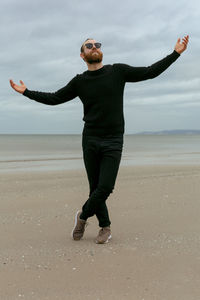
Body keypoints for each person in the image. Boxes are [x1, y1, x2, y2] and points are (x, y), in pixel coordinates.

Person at [10, 35, 189, 244]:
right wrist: (27, 92)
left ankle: (83, 216)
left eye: (97, 45)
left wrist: (175, 54)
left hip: (113, 139)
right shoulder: (79, 82)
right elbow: (54, 98)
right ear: (82, 55)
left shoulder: (118, 71)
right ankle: (105, 227)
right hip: (91, 139)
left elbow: (150, 72)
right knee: (95, 187)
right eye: (89, 45)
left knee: (105, 187)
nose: (94, 47)